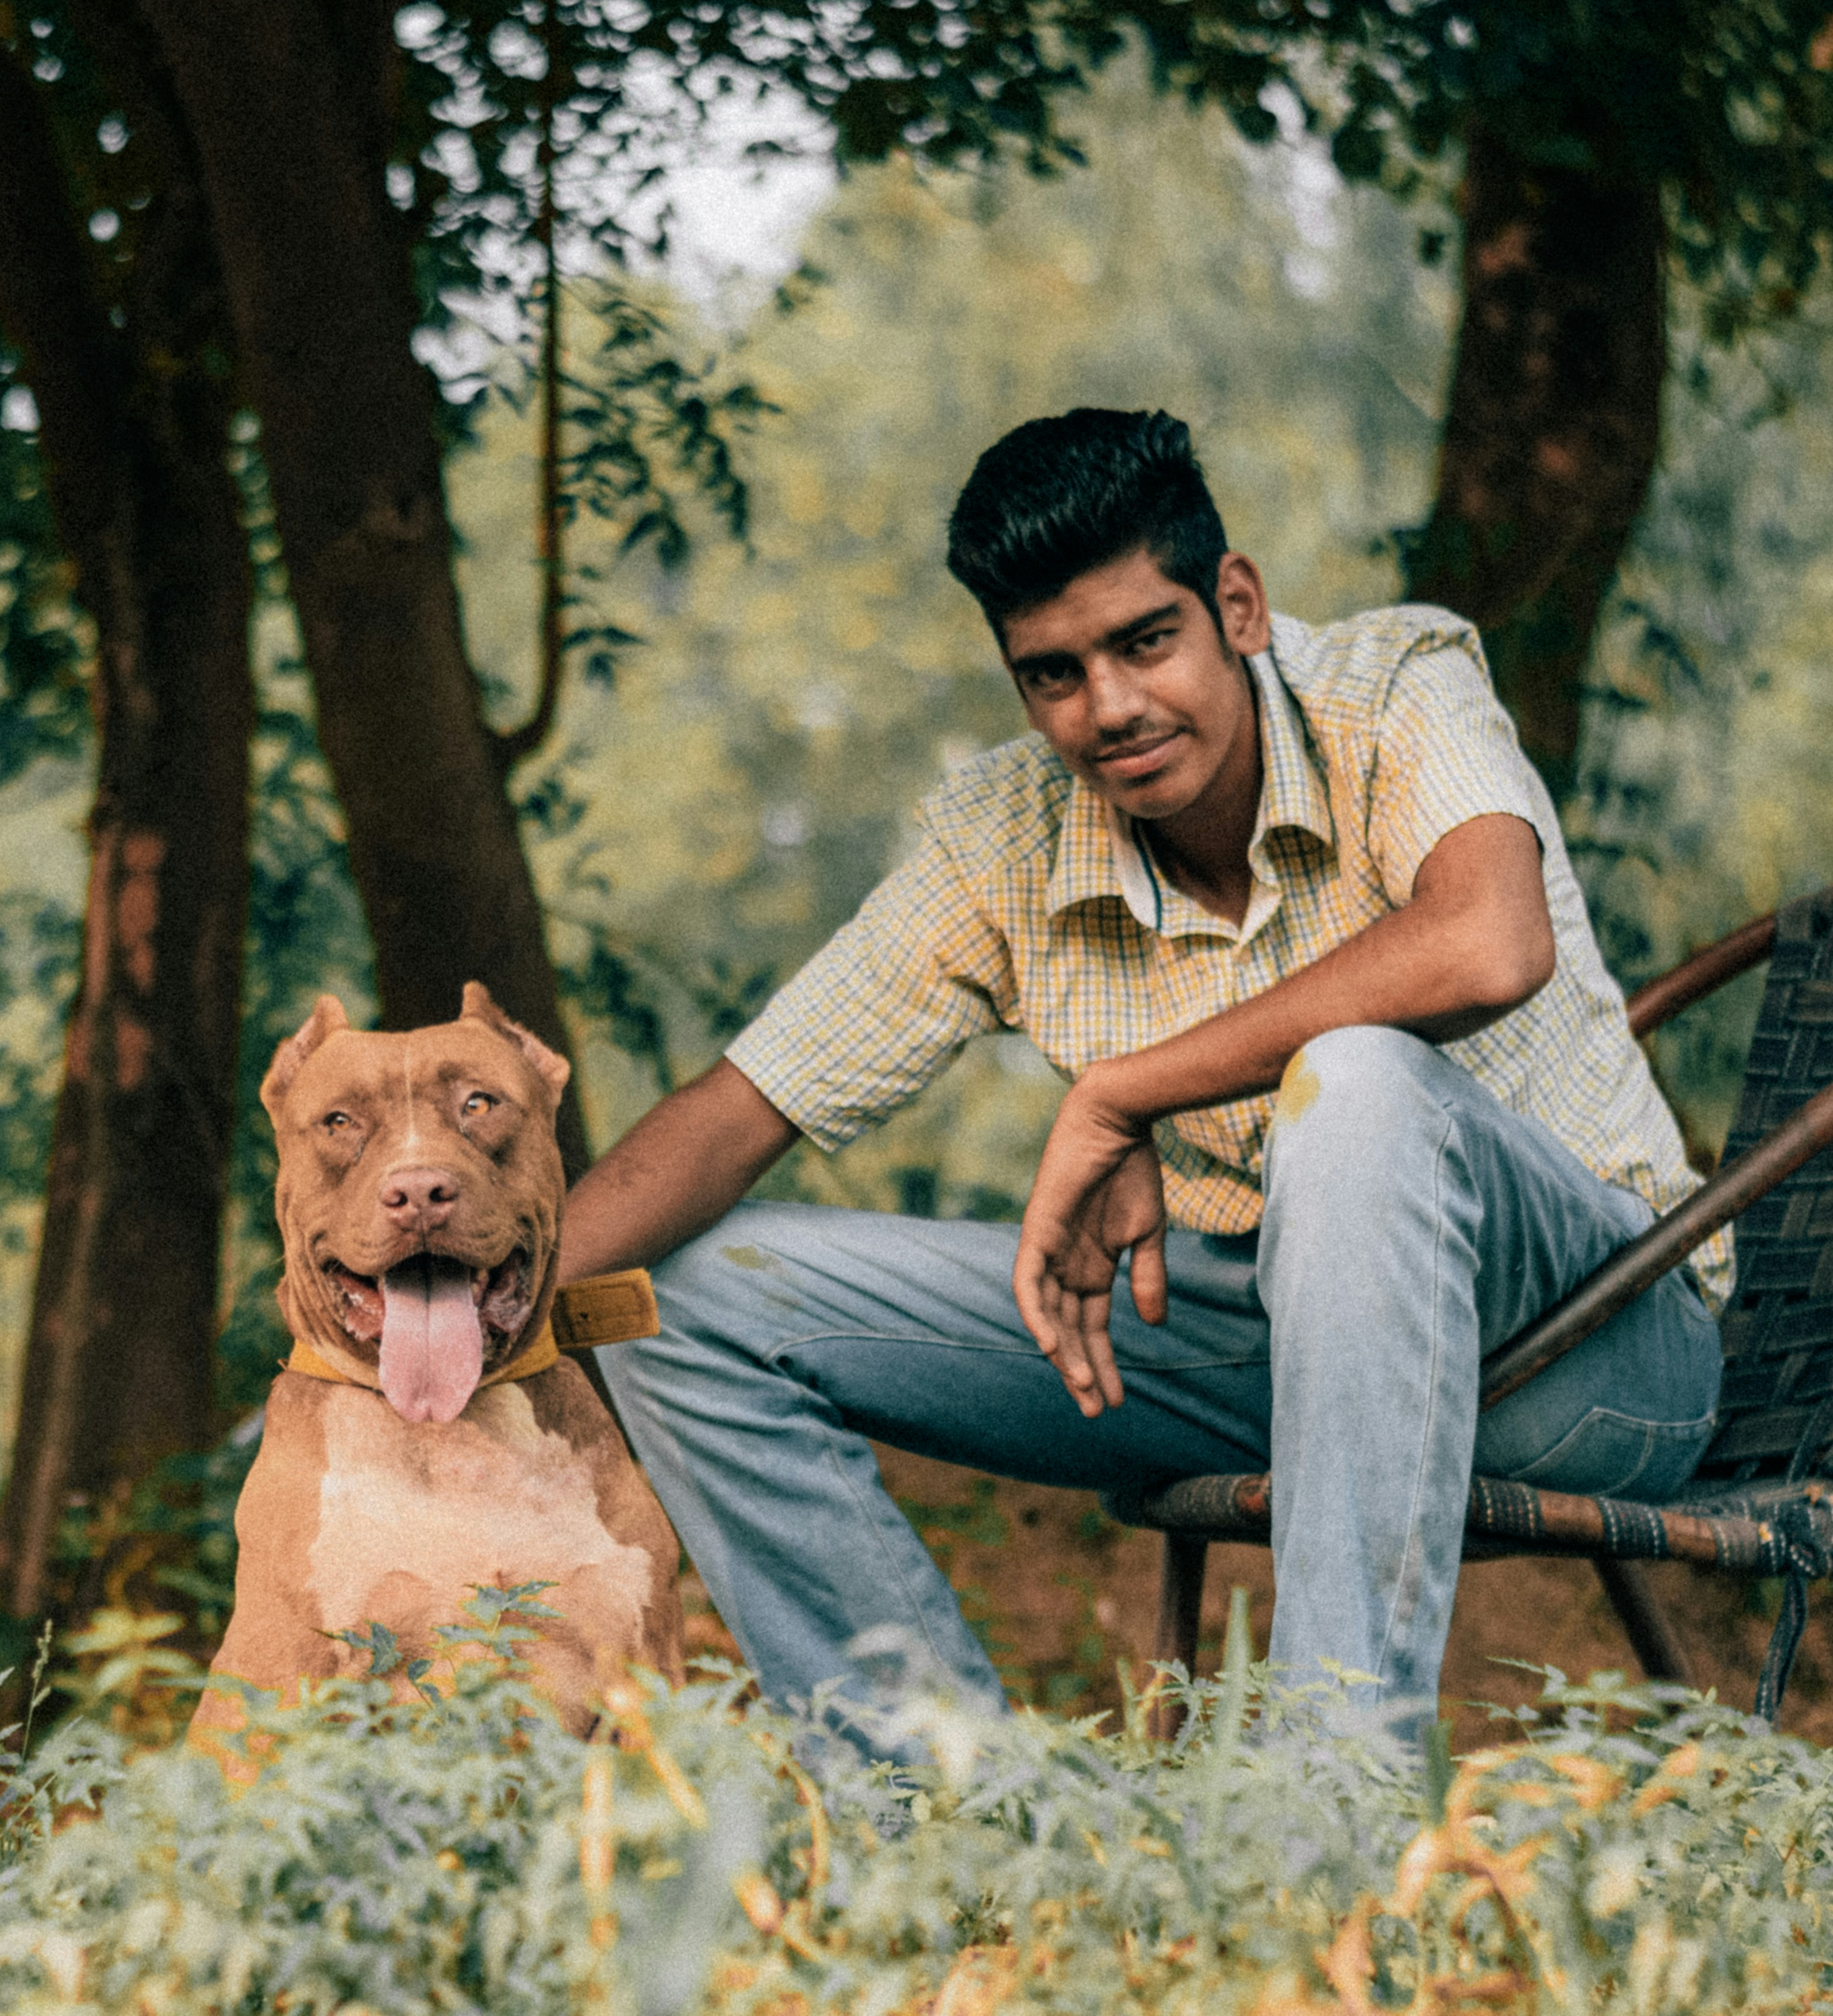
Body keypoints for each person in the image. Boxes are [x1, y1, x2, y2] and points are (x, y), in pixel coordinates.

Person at [557, 407, 1726, 1733]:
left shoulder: (1394, 684)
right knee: (672, 1297)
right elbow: (738, 1106)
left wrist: (1125, 1087)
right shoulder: (1001, 837)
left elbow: (1486, 941)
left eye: (1142, 642)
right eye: (1051, 673)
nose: (1107, 708)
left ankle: (1319, 1827)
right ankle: (950, 1830)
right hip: (1262, 1350)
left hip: (1594, 1354)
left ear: (1234, 604)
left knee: (1353, 1086)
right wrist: (458, 1324)